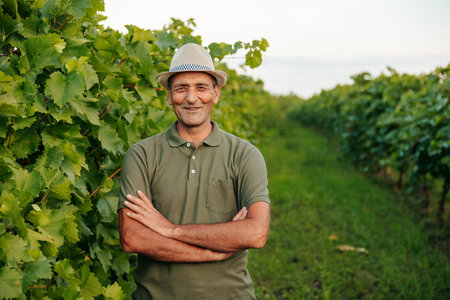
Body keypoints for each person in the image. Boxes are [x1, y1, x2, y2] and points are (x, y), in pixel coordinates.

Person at [118, 43, 271, 299]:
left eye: (201, 87)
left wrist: (169, 229)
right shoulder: (142, 154)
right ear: (169, 96)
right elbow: (133, 238)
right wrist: (216, 251)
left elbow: (256, 233)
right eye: (181, 88)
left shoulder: (245, 155)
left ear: (215, 94)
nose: (191, 98)